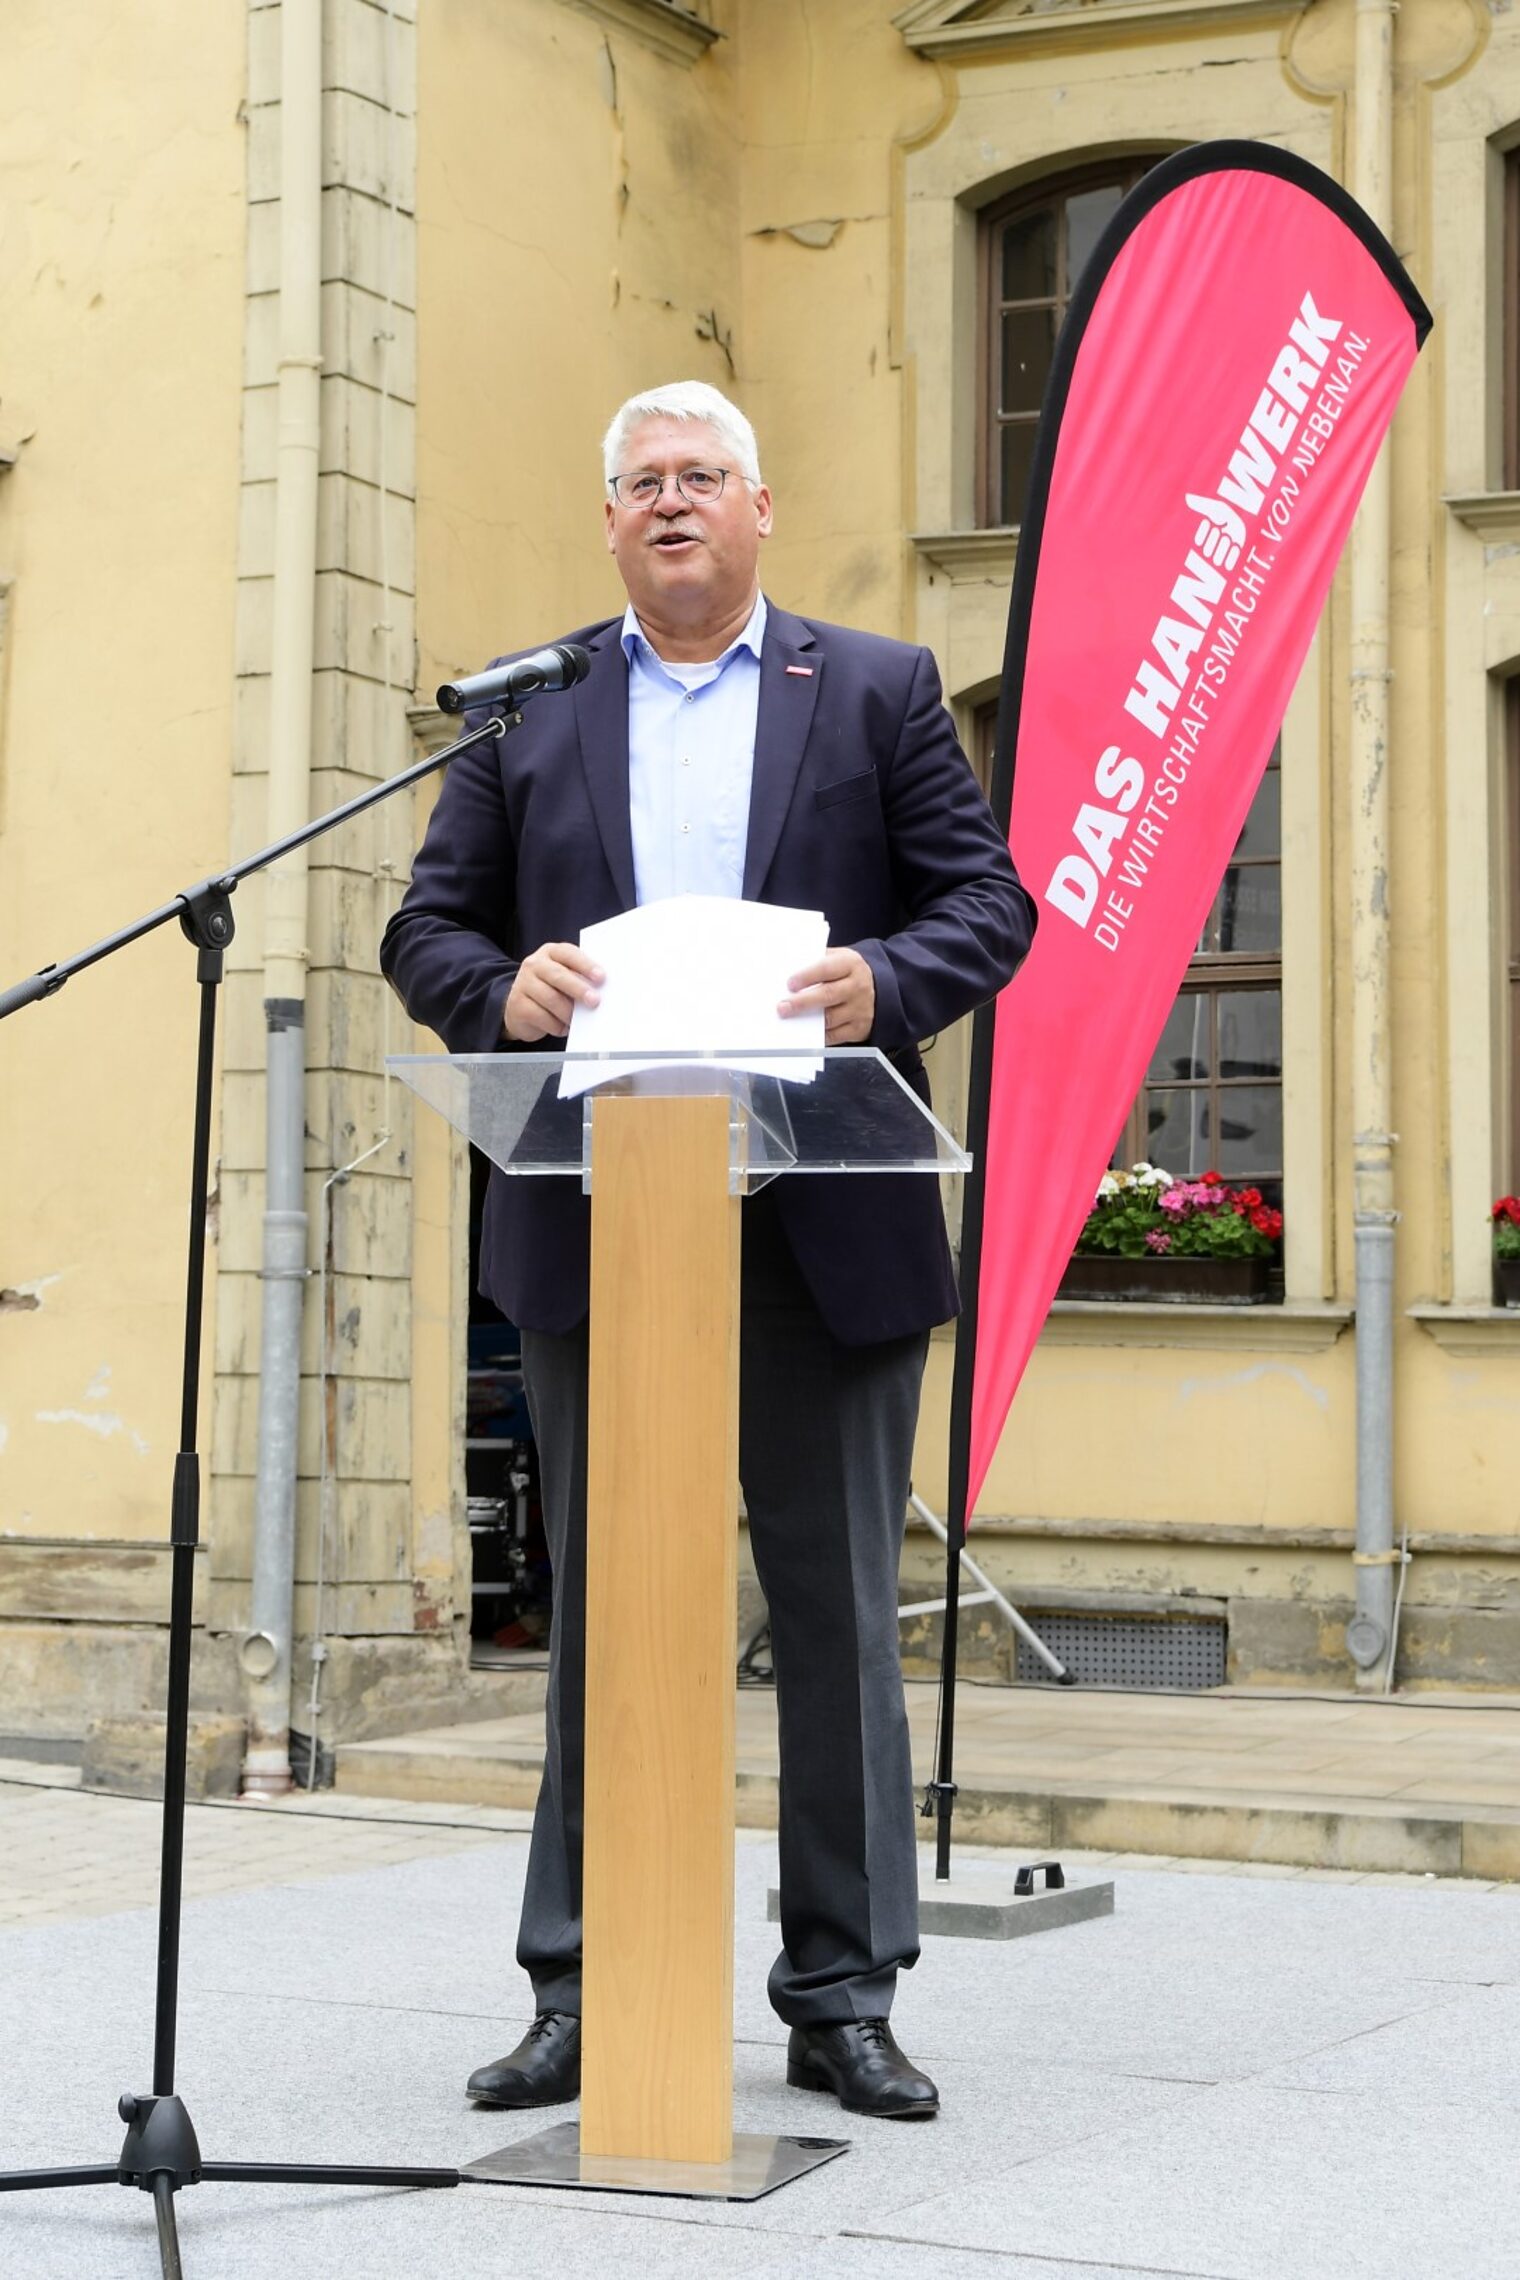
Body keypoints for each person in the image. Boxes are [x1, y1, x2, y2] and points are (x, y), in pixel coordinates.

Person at [380, 380, 1035, 2122]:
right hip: (603, 1224)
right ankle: (588, 1981)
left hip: (827, 1227)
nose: (671, 504)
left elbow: (990, 903)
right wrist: (491, 988)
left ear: (759, 508)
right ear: (609, 522)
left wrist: (884, 985)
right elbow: (425, 924)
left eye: (701, 479)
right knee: (610, 1621)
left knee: (833, 1625)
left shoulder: (879, 690)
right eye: (640, 483)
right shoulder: (532, 707)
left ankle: (841, 1994)